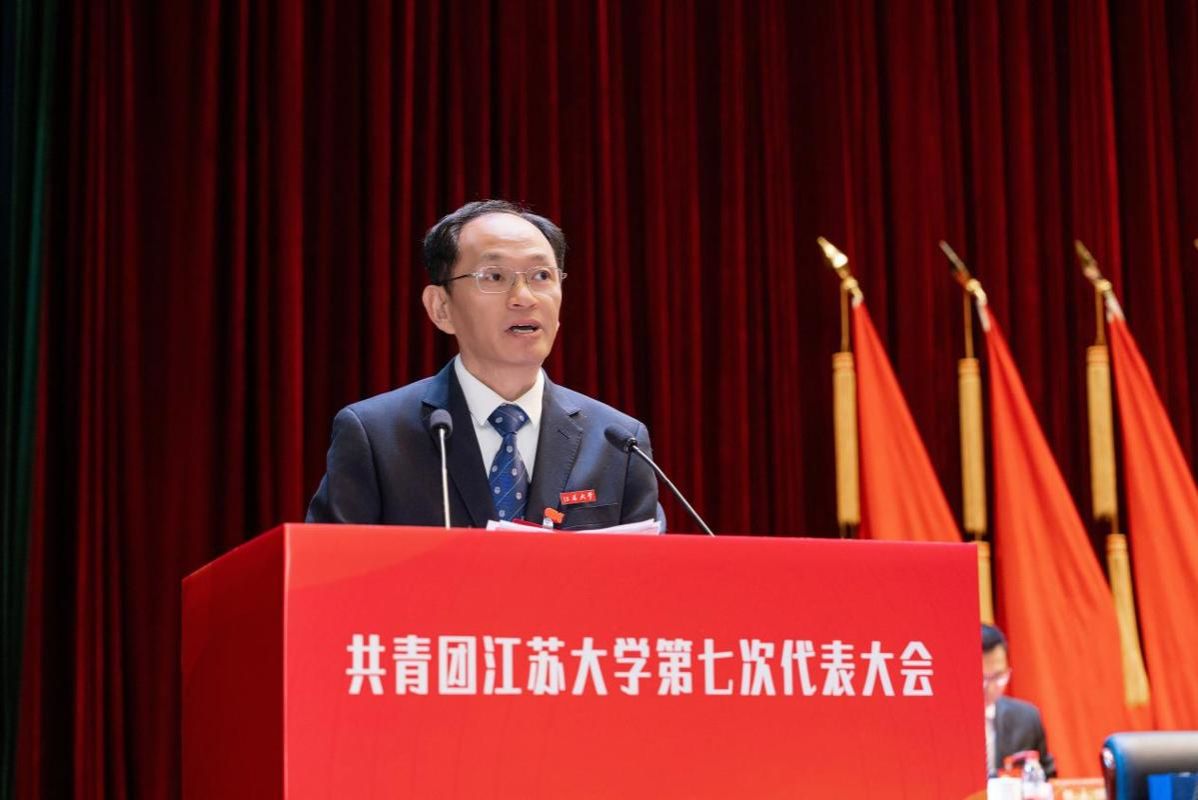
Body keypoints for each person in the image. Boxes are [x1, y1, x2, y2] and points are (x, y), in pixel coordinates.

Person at [306, 199, 662, 530]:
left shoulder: (618, 442)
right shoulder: (377, 435)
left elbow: (650, 572)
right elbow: (328, 568)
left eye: (541, 276)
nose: (524, 298)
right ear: (441, 308)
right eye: (494, 276)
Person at [982, 623, 1056, 778]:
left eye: (998, 677)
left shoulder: (1026, 719)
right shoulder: (942, 723)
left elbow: (1047, 778)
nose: (989, 688)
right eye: (982, 678)